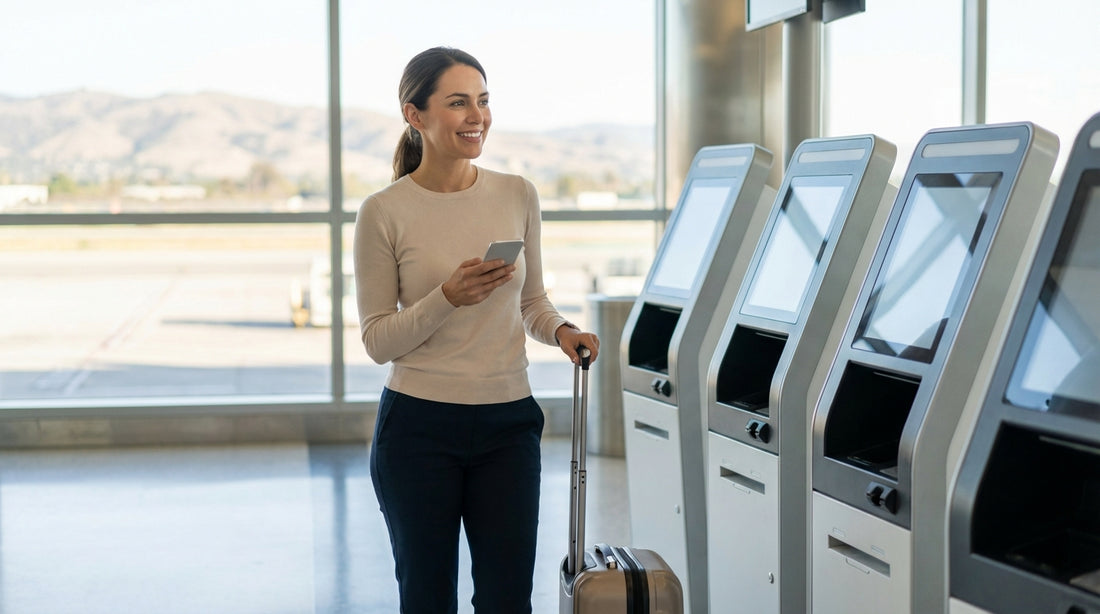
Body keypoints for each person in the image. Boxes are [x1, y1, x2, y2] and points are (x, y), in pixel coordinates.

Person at [354, 46, 601, 614]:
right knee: (427, 598)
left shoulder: (516, 194)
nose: (477, 116)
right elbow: (377, 341)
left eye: (484, 101)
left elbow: (532, 300)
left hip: (507, 424)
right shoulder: (383, 211)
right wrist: (447, 297)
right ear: (414, 116)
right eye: (459, 102)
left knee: (508, 599)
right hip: (417, 428)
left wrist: (561, 331)